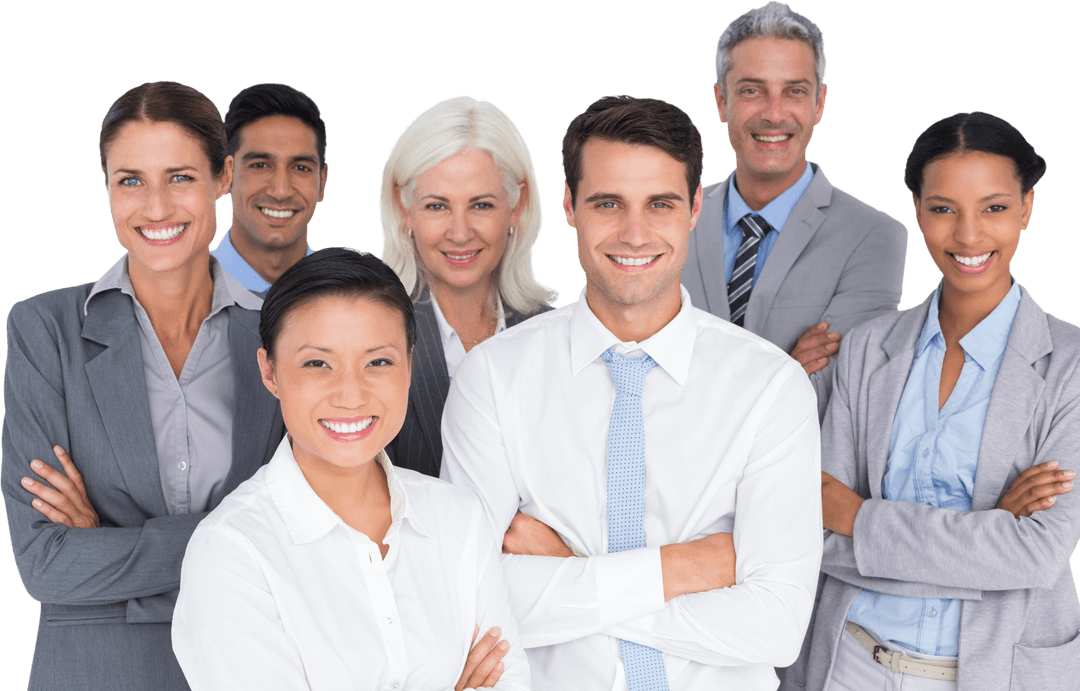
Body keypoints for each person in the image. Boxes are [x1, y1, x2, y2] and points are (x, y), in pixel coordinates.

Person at [442, 95, 822, 690]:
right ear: (569, 206)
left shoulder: (770, 387)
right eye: (608, 203)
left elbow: (776, 626)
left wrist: (571, 572)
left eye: (660, 204)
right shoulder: (491, 379)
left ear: (695, 208)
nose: (635, 234)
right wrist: (680, 568)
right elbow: (467, 603)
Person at [0, 81, 285, 690]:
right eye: (131, 180)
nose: (156, 208)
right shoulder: (45, 330)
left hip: (253, 669)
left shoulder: (281, 334)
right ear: (106, 186)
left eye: (180, 177)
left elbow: (313, 540)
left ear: (224, 176)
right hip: (95, 674)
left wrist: (106, 545)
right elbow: (45, 565)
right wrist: (241, 544)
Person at [784, 112, 1080, 691]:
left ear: (1027, 207)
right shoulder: (868, 348)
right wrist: (987, 532)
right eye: (944, 209)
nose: (968, 236)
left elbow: (1036, 556)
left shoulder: (1070, 367)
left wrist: (860, 519)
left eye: (994, 208)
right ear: (917, 210)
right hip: (849, 665)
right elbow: (812, 527)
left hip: (996, 674)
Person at [172, 247, 530, 691]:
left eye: (378, 362)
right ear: (270, 372)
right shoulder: (232, 551)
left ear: (409, 364)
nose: (351, 394)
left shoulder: (459, 519)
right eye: (317, 364)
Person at [682, 1, 908, 416]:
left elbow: (834, 395)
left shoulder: (874, 238)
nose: (774, 114)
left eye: (794, 92)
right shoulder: (673, 220)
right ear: (721, 101)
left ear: (819, 103)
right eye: (751, 90)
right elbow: (636, 364)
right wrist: (787, 364)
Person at [380, 95, 556, 477]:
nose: (460, 233)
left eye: (481, 205)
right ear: (405, 208)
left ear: (516, 206)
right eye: (437, 206)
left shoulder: (556, 338)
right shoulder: (371, 334)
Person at [212, 83, 328, 293]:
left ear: (322, 182)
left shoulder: (351, 297)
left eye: (301, 168)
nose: (280, 191)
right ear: (226, 175)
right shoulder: (178, 293)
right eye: (260, 165)